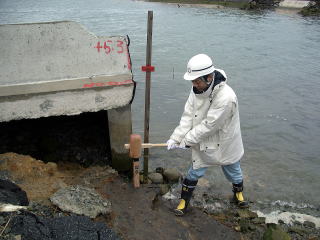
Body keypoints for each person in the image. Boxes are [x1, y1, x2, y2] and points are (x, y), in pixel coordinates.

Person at [167, 54, 248, 216]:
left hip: (224, 141)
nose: (194, 85)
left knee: (233, 169)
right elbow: (188, 116)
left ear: (210, 77)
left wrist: (187, 140)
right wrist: (176, 137)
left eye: (197, 81)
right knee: (195, 170)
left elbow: (210, 126)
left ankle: (238, 193)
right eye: (192, 81)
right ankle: (184, 200)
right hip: (202, 140)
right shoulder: (196, 89)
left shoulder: (226, 97)